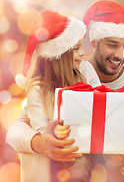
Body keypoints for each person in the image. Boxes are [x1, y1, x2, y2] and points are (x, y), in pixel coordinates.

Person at [6, 0, 124, 181]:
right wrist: (41, 141)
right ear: (94, 42)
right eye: (112, 45)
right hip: (70, 154)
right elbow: (16, 131)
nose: (121, 55)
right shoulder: (46, 85)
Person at [8, 10, 91, 182]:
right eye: (76, 49)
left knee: (82, 161)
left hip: (84, 146)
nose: (82, 53)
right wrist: (53, 132)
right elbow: (39, 130)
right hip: (57, 153)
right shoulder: (37, 90)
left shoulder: (84, 71)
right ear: (58, 57)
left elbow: (99, 99)